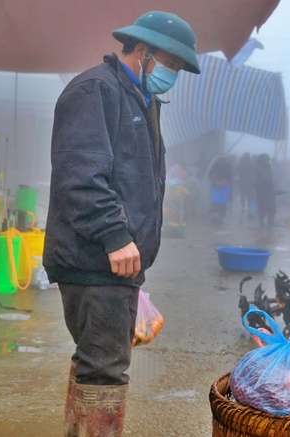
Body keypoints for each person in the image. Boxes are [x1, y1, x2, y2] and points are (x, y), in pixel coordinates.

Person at [43, 11, 199, 436]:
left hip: (114, 265)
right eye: (171, 64)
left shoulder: (140, 98)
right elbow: (80, 176)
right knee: (106, 371)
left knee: (93, 362)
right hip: (95, 260)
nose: (173, 75)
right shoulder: (96, 90)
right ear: (143, 51)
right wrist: (115, 235)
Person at [208, 155, 233, 225]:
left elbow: (209, 176)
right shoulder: (227, 165)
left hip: (215, 186)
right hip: (225, 187)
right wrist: (223, 182)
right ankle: (220, 218)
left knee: (215, 202)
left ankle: (215, 217)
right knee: (223, 203)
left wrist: (215, 182)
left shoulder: (214, 165)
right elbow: (230, 177)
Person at [254, 153, 276, 228]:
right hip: (262, 191)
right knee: (262, 208)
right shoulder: (258, 169)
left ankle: (270, 223)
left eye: (266, 160)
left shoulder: (270, 168)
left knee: (271, 207)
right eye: (263, 161)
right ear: (260, 161)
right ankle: (262, 224)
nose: (265, 162)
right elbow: (256, 181)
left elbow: (271, 179)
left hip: (269, 191)